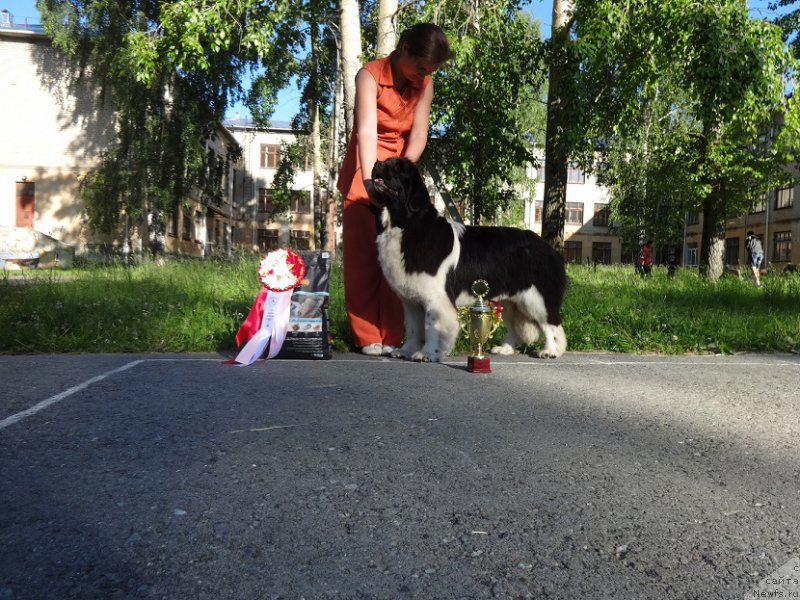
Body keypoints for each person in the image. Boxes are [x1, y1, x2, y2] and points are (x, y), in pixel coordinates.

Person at [337, 23, 452, 356]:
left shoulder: (424, 84)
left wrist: (402, 174)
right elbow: (366, 132)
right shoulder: (369, 76)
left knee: (396, 258)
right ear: (404, 49)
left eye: (429, 72)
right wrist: (371, 180)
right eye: (420, 68)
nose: (423, 76)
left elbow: (419, 134)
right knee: (362, 260)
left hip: (399, 174)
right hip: (365, 165)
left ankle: (391, 335)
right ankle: (366, 336)